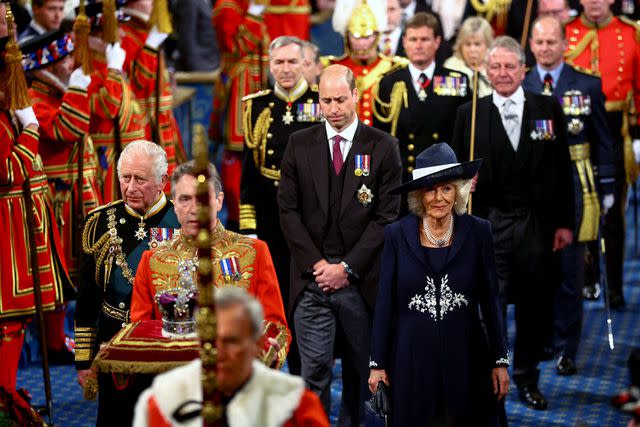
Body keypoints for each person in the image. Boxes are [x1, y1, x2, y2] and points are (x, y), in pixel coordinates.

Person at [452, 35, 574, 410]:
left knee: (535, 305)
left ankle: (526, 376)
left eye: (510, 66)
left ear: (524, 69)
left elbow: (561, 169)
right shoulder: (468, 114)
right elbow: (454, 175)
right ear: (486, 72)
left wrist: (564, 223)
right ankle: (491, 377)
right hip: (489, 224)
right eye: (495, 67)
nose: (502, 74)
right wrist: (462, 183)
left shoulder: (547, 107)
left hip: (536, 224)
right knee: (491, 305)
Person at [278, 64, 402, 425]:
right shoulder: (299, 145)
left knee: (359, 373)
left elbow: (387, 217)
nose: (333, 108)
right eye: (326, 101)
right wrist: (320, 265)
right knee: (313, 369)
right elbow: (287, 211)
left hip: (361, 281)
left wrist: (346, 268)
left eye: (340, 99)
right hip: (311, 279)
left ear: (356, 96)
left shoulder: (383, 147)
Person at [368, 143, 509, 426]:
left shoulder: (478, 231)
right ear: (419, 195)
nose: (439, 198)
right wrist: (377, 364)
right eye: (431, 189)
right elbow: (385, 303)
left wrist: (500, 360)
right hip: (411, 360)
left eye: (446, 188)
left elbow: (491, 301)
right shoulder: (397, 234)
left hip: (466, 357)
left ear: (458, 191)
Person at [131, 161, 291, 369]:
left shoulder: (255, 252)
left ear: (219, 201)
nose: (195, 209)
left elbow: (276, 326)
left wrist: (270, 349)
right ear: (174, 205)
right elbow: (141, 331)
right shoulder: (152, 260)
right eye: (185, 199)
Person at [524, 15, 615, 375]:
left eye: (551, 42)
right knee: (536, 271)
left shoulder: (587, 85)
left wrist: (607, 188)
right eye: (539, 42)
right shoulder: (521, 82)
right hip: (533, 192)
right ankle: (543, 338)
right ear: (531, 45)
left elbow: (603, 142)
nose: (545, 49)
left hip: (577, 187)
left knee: (570, 273)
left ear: (565, 44)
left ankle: (567, 347)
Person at [74, 139, 180, 426]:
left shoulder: (183, 220)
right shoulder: (98, 223)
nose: (130, 187)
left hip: (167, 346)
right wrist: (84, 360)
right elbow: (87, 299)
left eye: (140, 179)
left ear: (162, 181)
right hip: (115, 345)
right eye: (125, 177)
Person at [133, 287, 329, 427]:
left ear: (258, 344)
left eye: (231, 341)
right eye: (209, 341)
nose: (217, 352)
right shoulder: (161, 403)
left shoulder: (296, 406)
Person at [565, 0, 640, 309]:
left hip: (616, 128)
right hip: (576, 128)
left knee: (613, 212)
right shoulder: (567, 32)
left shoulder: (630, 33)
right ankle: (587, 278)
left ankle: (614, 285)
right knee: (580, 207)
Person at [240, 36, 321, 313]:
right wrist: (249, 228)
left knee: (308, 291)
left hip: (310, 212)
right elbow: (249, 172)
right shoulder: (255, 106)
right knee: (271, 290)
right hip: (268, 212)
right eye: (279, 62)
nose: (286, 68)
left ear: (304, 64)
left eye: (292, 61)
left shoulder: (321, 102)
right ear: (270, 65)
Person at [22, 29, 102, 281]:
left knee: (94, 274)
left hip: (81, 194)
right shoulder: (35, 99)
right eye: (65, 59)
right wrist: (77, 88)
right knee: (66, 276)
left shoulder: (58, 94)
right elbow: (69, 127)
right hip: (61, 201)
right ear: (49, 66)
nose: (72, 64)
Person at [373, 12, 470, 209]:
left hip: (443, 182)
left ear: (437, 42)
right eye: (413, 39)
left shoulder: (457, 81)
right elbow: (380, 137)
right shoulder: (389, 82)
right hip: (403, 183)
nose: (418, 45)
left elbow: (466, 135)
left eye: (424, 39)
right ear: (405, 42)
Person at [210, 0, 270, 231]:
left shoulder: (246, 5)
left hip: (255, 87)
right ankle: (237, 217)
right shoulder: (227, 7)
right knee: (238, 153)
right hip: (240, 91)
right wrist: (254, 16)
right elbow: (235, 46)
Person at [120, 0, 185, 185]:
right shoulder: (126, 33)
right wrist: (149, 46)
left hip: (162, 119)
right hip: (145, 125)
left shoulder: (147, 30)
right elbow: (138, 81)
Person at [325, 0, 406, 126]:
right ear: (347, 37)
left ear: (377, 36)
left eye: (367, 37)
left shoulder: (394, 67)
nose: (362, 43)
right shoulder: (331, 66)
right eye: (356, 37)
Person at [443, 16, 494, 98]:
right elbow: (445, 102)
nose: (472, 49)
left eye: (477, 44)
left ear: (487, 44)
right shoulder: (450, 66)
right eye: (467, 44)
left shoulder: (495, 67)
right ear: (460, 46)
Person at [169, 0, 220, 72]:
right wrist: (197, 69)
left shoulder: (207, 2)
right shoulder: (190, 2)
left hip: (212, 63)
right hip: (200, 68)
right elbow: (187, 39)